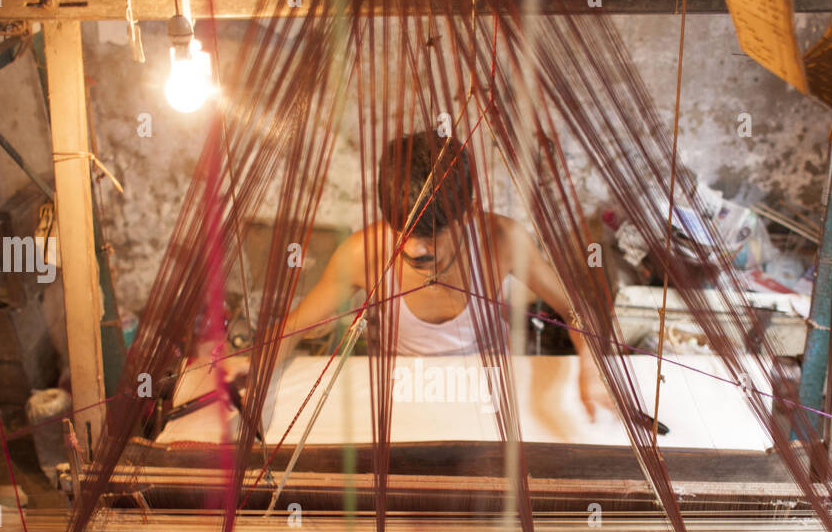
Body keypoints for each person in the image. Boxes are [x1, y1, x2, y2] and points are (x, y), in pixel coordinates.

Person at [220, 130, 613, 421]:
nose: (413, 250)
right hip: (403, 389)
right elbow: (292, 328)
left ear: (470, 211)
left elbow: (576, 310)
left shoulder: (503, 241)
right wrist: (259, 371)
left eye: (431, 236)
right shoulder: (364, 254)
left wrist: (592, 364)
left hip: (484, 383)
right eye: (401, 232)